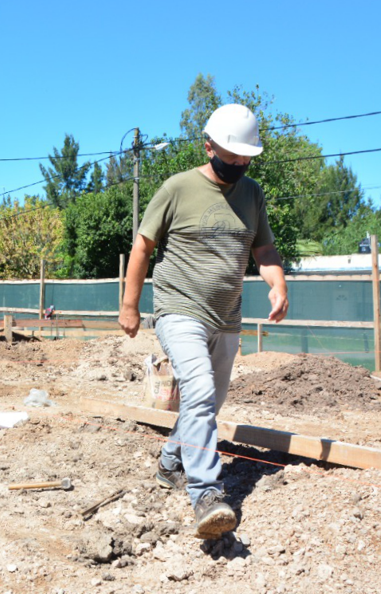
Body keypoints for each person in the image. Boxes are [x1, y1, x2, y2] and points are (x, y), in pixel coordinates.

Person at [118, 104, 289, 540]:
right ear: (208, 145)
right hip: (179, 309)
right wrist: (130, 305)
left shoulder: (252, 194)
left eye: (245, 158)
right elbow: (142, 246)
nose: (238, 165)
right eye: (230, 157)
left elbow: (263, 251)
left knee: (209, 402)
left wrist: (277, 283)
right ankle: (207, 495)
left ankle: (170, 463)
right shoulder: (177, 188)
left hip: (227, 316)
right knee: (197, 390)